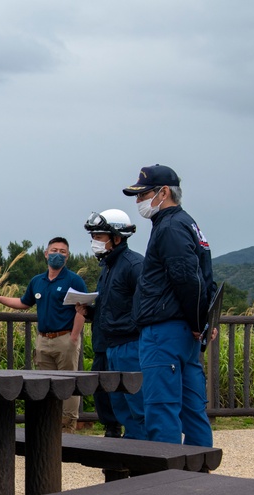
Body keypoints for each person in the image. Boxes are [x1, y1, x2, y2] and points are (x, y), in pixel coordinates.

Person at [123, 164, 214, 446]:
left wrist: (199, 322)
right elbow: (205, 279)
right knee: (192, 407)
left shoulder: (170, 227)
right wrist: (202, 321)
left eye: (143, 194)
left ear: (164, 192)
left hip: (164, 332)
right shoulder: (187, 223)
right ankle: (199, 475)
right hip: (183, 330)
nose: (138, 201)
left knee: (161, 408)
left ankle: (166, 483)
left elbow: (187, 278)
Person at [0, 237, 86, 432]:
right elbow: (24, 302)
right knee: (45, 383)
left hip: (65, 338)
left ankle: (67, 426)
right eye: (54, 250)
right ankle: (48, 423)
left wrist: (74, 338)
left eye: (63, 251)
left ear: (67, 256)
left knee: (69, 383)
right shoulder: (37, 281)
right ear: (46, 253)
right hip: (43, 340)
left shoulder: (74, 280)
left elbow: (82, 310)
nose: (58, 254)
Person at [76, 210, 146, 440]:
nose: (95, 242)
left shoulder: (134, 265)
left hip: (130, 344)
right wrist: (90, 311)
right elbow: (114, 305)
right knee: (119, 405)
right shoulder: (107, 267)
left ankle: (144, 458)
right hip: (110, 346)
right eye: (93, 236)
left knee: (137, 407)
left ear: (117, 237)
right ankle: (129, 454)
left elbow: (147, 304)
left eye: (99, 236)